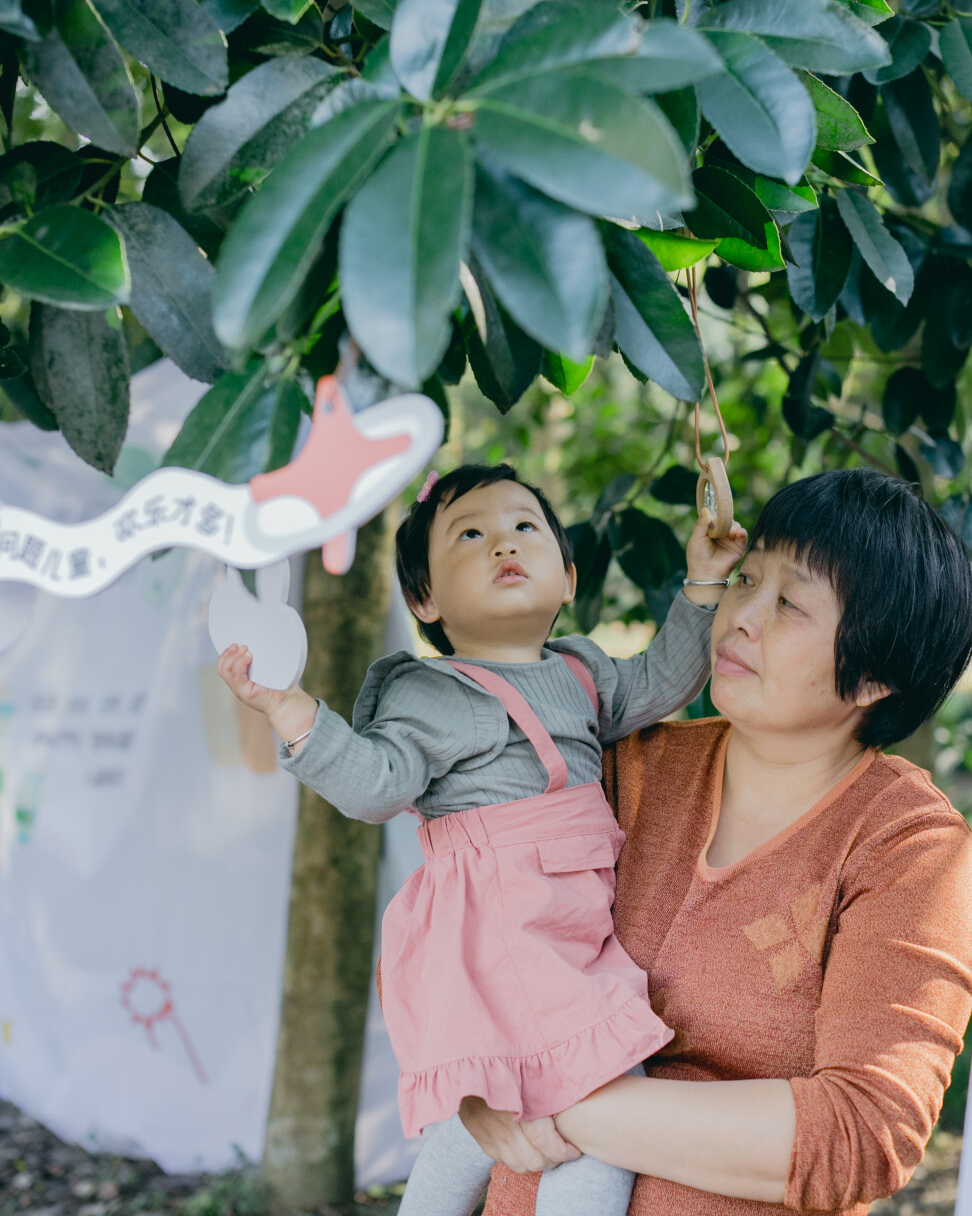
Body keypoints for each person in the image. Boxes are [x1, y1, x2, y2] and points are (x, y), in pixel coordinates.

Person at [216, 463, 745, 1216]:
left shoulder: (581, 673)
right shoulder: (432, 692)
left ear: (567, 578)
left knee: (504, 1113)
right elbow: (377, 785)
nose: (504, 544)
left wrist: (702, 584)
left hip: (564, 932)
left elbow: (665, 679)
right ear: (423, 598)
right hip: (502, 938)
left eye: (524, 527)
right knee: (606, 1111)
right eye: (471, 534)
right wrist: (292, 709)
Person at [459, 468, 972, 1216]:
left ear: (872, 675)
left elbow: (865, 1131)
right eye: (745, 579)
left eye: (790, 602)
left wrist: (561, 1103)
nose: (741, 615)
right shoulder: (619, 767)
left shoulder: (908, 845)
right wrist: (470, 1077)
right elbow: (447, 921)